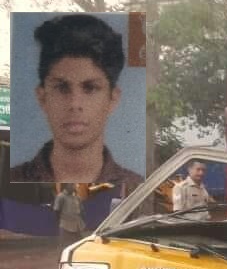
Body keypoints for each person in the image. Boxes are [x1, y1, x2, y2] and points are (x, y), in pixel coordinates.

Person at [10, 14, 142, 190]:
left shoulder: (137, 185)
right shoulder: (10, 178)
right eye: (62, 88)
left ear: (112, 99)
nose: (74, 104)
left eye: (90, 88)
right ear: (42, 97)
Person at [53, 183, 85, 250]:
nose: (74, 186)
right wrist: (60, 221)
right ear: (67, 185)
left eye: (74, 185)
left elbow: (81, 210)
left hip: (77, 225)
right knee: (65, 247)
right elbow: (56, 210)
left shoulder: (77, 197)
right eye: (72, 185)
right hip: (66, 225)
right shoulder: (61, 196)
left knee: (79, 245)